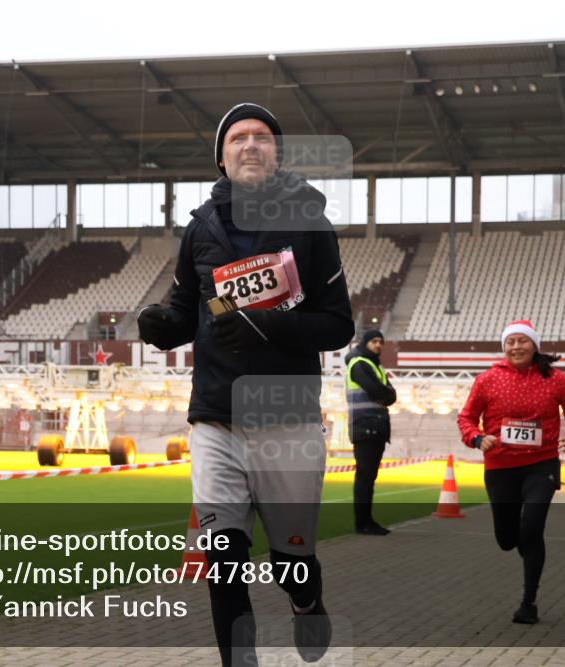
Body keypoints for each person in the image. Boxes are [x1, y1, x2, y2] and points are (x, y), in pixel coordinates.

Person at [137, 102, 354, 666]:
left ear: (276, 153)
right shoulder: (201, 228)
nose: (250, 144)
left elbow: (338, 326)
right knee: (223, 562)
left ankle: (306, 602)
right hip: (216, 420)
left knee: (291, 563)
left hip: (287, 421)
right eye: (238, 138)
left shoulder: (310, 225)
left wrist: (267, 324)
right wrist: (163, 326)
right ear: (221, 157)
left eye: (262, 136)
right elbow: (187, 309)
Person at [457, 320, 565, 625]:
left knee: (531, 529)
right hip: (500, 467)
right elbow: (466, 418)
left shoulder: (556, 380)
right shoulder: (487, 379)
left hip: (541, 465)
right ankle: (524, 544)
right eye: (511, 342)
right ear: (504, 347)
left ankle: (529, 601)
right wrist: (477, 438)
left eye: (522, 341)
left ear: (534, 345)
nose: (516, 347)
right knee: (507, 539)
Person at [344, 328, 397, 535]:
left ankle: (367, 520)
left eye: (380, 342)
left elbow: (391, 396)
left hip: (376, 427)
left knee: (369, 477)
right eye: (374, 341)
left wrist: (385, 394)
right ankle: (363, 523)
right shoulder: (359, 364)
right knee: (365, 477)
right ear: (365, 342)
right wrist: (385, 394)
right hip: (365, 426)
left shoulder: (375, 366)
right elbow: (378, 391)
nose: (378, 345)